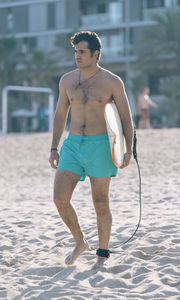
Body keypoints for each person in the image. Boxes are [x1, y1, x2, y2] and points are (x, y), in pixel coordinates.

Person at [49, 31, 134, 269]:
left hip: (101, 146)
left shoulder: (112, 81)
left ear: (96, 54)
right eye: (75, 51)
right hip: (73, 145)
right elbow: (60, 115)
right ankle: (80, 241)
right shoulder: (66, 80)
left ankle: (102, 254)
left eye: (82, 52)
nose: (77, 56)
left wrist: (128, 149)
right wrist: (54, 147)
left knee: (100, 202)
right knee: (60, 198)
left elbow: (126, 119)